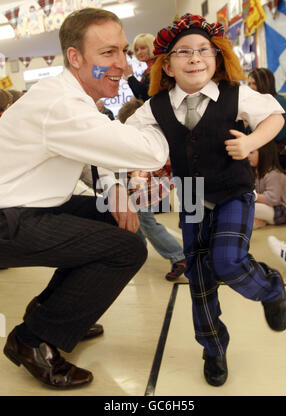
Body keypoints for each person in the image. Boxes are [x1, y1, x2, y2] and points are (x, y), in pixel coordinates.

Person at [0, 8, 169, 389]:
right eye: (108, 53)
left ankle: (54, 311)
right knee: (126, 250)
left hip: (29, 203)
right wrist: (161, 108)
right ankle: (32, 340)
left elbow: (92, 153)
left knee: (116, 222)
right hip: (7, 216)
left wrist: (114, 192)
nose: (123, 65)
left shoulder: (68, 96)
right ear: (75, 58)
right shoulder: (62, 105)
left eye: (123, 51)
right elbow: (151, 154)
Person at [125, 13, 286, 387]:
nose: (195, 57)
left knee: (229, 262)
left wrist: (250, 143)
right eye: (184, 52)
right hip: (193, 197)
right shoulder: (155, 105)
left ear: (217, 58)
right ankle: (213, 349)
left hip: (233, 189)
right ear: (166, 63)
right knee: (198, 277)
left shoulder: (235, 93)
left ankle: (270, 287)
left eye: (204, 50)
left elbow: (275, 116)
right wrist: (138, 170)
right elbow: (128, 138)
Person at [118, 98, 186, 281]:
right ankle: (138, 252)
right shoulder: (153, 134)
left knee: (146, 222)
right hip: (148, 185)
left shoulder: (142, 139)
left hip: (146, 187)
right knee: (138, 221)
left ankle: (178, 256)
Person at [248, 68, 286, 171]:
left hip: (284, 153)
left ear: (264, 83)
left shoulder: (281, 103)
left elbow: (278, 135)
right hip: (267, 150)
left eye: (254, 83)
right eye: (249, 84)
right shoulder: (258, 103)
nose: (250, 88)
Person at [248, 140, 286, 229]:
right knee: (246, 210)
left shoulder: (273, 173)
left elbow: (273, 199)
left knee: (250, 208)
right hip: (274, 209)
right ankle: (260, 222)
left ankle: (260, 221)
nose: (247, 156)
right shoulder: (257, 173)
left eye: (251, 152)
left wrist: (253, 195)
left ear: (264, 154)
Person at [123, 33, 155, 102]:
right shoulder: (149, 69)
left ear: (151, 47)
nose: (139, 53)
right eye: (137, 50)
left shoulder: (156, 68)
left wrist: (130, 77)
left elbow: (145, 94)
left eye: (143, 48)